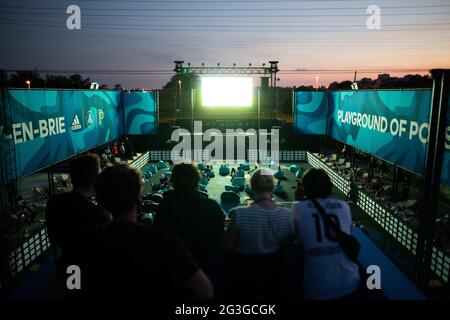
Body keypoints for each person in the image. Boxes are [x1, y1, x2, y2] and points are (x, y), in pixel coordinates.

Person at [78, 164, 213, 299]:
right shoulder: (162, 239)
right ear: (138, 194)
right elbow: (205, 290)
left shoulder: (86, 241)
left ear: (100, 200)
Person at [222, 168, 295, 299]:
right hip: (273, 276)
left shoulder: (239, 214)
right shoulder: (286, 215)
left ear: (252, 187)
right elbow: (286, 247)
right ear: (273, 187)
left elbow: (226, 247)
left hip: (243, 276)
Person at [292, 168, 361, 300]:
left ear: (304, 188)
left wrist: (298, 200)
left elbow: (295, 236)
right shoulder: (343, 206)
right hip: (350, 281)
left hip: (318, 288)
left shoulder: (298, 208)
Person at [154, 163, 225, 270]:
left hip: (173, 267)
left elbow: (158, 236)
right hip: (205, 264)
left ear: (173, 181)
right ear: (197, 180)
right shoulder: (212, 206)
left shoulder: (164, 207)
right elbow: (220, 238)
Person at [45, 154, 109, 273]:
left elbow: (54, 238)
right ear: (95, 179)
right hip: (87, 271)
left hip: (65, 267)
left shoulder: (53, 203)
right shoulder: (96, 213)